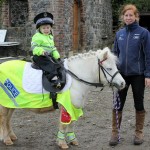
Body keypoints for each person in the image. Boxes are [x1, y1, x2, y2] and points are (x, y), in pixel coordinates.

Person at [109, 4, 150, 146]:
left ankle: (139, 133)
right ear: (123, 17)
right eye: (126, 15)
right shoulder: (119, 34)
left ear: (136, 17)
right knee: (118, 103)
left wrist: (148, 75)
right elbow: (114, 55)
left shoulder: (144, 33)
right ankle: (115, 132)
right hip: (121, 75)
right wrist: (113, 74)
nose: (128, 17)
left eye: (131, 15)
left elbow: (148, 55)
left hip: (138, 74)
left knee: (139, 103)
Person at [31, 12, 64, 88]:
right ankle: (52, 80)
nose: (46, 30)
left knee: (59, 64)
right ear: (39, 29)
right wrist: (41, 51)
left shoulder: (50, 37)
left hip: (48, 56)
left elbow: (52, 48)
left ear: (50, 28)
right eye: (44, 28)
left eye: (48, 28)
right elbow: (34, 47)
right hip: (40, 57)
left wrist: (56, 55)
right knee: (51, 66)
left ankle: (60, 77)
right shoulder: (37, 36)